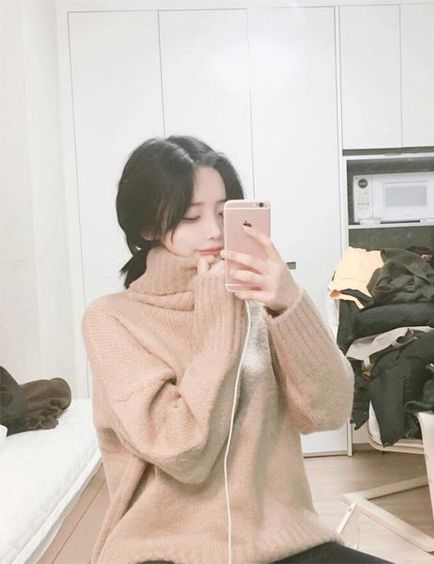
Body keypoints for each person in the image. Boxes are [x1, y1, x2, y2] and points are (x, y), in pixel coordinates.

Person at [82, 136, 389, 563]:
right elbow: (182, 452)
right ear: (149, 228)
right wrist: (218, 325)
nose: (213, 230)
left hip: (280, 541)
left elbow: (329, 411)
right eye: (190, 217)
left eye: (225, 213)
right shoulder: (112, 319)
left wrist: (290, 304)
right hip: (162, 550)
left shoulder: (258, 306)